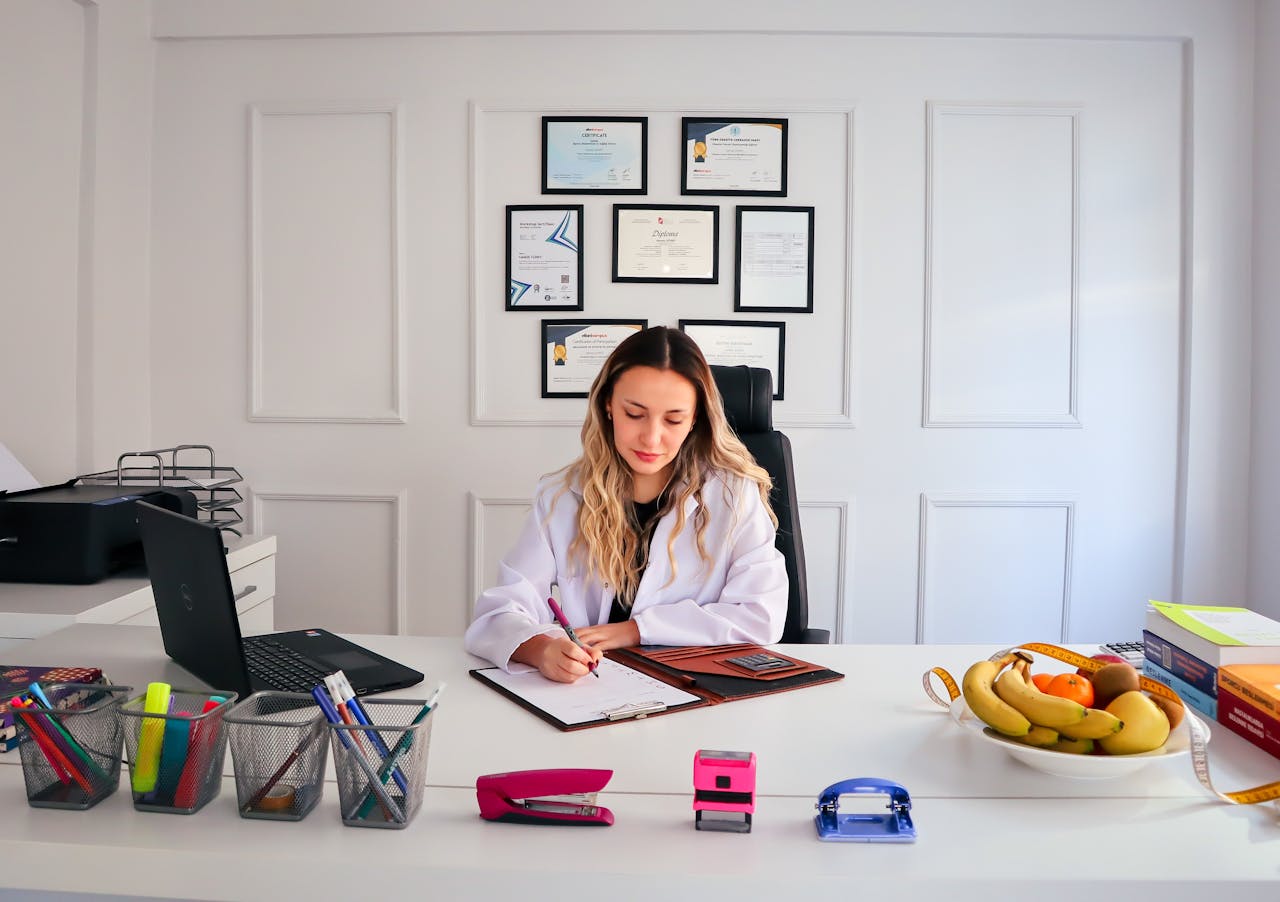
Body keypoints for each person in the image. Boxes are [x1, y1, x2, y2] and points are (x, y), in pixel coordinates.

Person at [465, 326, 788, 682]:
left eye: (673, 419)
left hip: (697, 688)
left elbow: (761, 614)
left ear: (695, 418)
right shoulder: (561, 496)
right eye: (634, 414)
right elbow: (500, 610)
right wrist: (541, 649)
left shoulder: (732, 494)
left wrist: (636, 630)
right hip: (592, 690)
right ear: (608, 405)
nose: (651, 437)